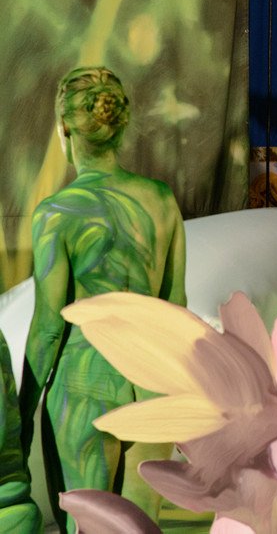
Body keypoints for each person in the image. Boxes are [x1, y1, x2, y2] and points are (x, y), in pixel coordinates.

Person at [19, 66, 186, 532]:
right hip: (154, 389)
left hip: (85, 388)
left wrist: (22, 415)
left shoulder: (56, 214)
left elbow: (49, 328)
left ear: (64, 128)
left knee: (86, 526)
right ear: (120, 126)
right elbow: (176, 305)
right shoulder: (162, 201)